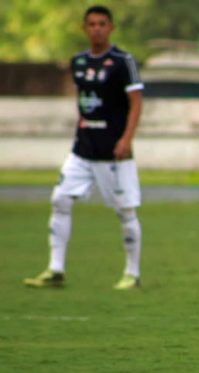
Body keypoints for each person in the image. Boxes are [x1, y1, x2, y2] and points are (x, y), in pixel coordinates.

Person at [24, 5, 144, 290]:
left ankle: (132, 273)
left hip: (114, 152)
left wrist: (126, 139)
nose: (97, 29)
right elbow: (84, 102)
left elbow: (136, 103)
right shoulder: (78, 62)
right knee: (60, 200)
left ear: (111, 28)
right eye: (91, 24)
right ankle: (56, 269)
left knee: (125, 211)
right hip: (82, 150)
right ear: (84, 28)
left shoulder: (123, 61)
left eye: (102, 24)